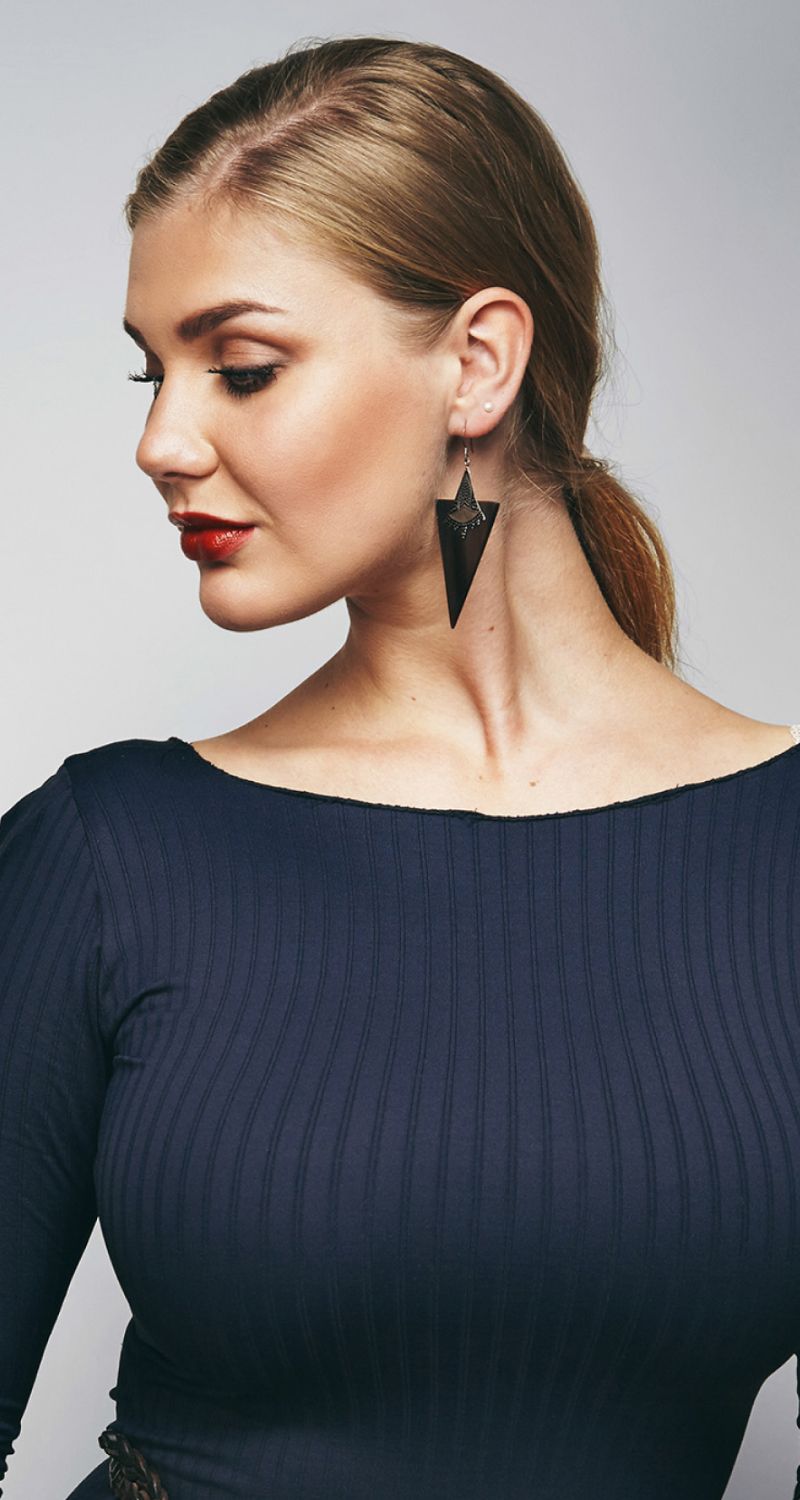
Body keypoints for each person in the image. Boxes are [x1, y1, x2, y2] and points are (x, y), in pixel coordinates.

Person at [2, 33, 799, 1500]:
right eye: (152, 371)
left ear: (478, 362)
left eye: (239, 366)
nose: (161, 441)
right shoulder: (102, 855)